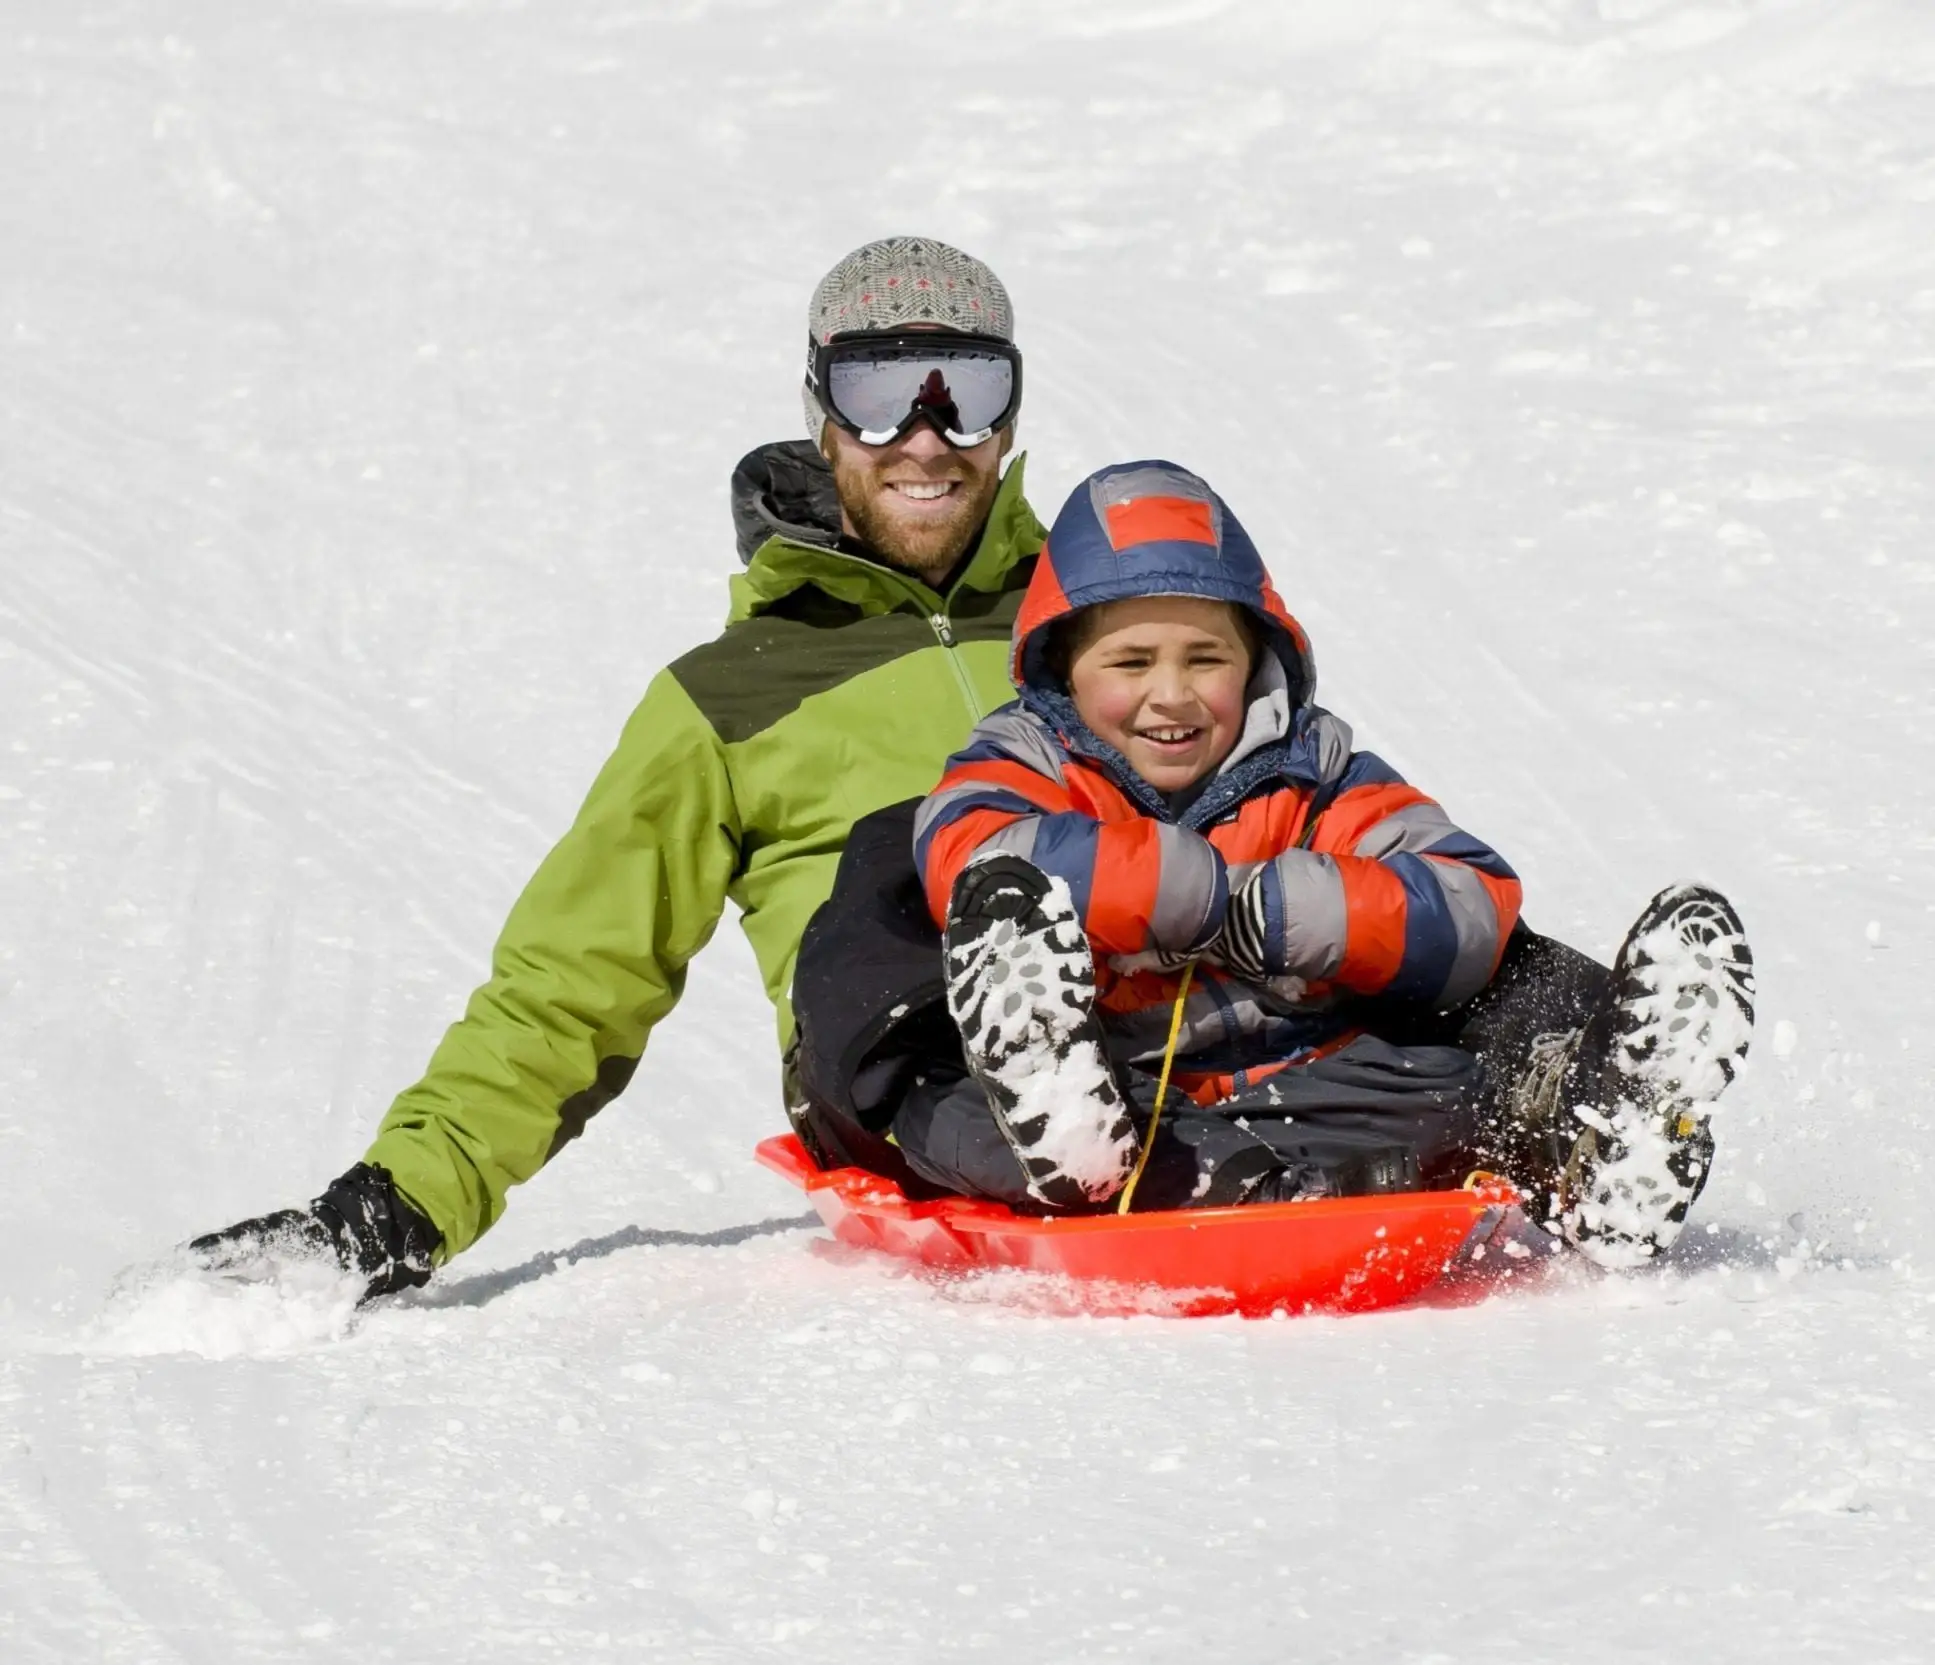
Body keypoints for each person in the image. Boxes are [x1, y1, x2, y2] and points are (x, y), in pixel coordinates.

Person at [187, 236, 1052, 1297]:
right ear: (823, 417)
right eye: (879, 391)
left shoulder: (1106, 628)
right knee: (896, 865)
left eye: (964, 390)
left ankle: (1237, 1111)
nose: (926, 438)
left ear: (1009, 417)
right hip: (907, 1083)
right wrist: (392, 1204)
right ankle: (1040, 1077)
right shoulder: (726, 701)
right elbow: (574, 982)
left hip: (1161, 1041)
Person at [790, 461, 1757, 1267]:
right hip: (1113, 1083)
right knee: (957, 1115)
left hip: (1305, 1080)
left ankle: (1591, 1137)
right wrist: (1183, 892)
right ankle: (1078, 1142)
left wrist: (1293, 910)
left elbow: (1467, 898)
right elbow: (978, 852)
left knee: (1472, 1068)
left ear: (1254, 662)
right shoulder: (1024, 762)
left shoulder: (1315, 769)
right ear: (1061, 671)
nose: (1169, 696)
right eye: (1129, 664)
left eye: (1203, 659)